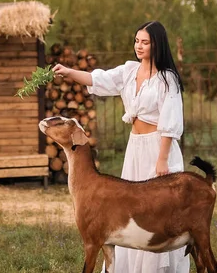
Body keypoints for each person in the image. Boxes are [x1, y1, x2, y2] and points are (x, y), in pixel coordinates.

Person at [52, 21, 189, 273]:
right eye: (137, 40)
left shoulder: (167, 79)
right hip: (135, 147)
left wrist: (162, 160)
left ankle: (154, 268)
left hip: (158, 148)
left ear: (157, 44)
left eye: (145, 42)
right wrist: (68, 71)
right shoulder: (129, 71)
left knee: (154, 211)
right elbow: (98, 78)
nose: (139, 46)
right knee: (129, 211)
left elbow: (170, 121)